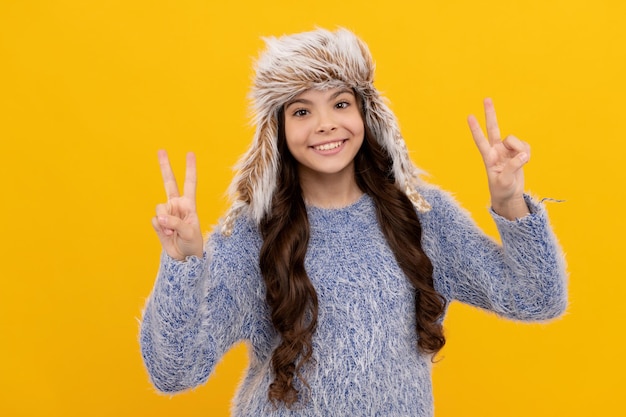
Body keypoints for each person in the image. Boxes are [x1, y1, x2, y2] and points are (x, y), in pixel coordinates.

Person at [139, 28, 567, 416]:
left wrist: (510, 201)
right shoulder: (252, 237)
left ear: (366, 114)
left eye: (340, 103)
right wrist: (183, 265)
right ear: (277, 131)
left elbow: (537, 298)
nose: (326, 124)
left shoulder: (422, 218)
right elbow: (175, 372)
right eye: (302, 112)